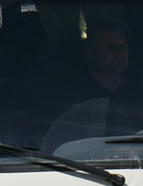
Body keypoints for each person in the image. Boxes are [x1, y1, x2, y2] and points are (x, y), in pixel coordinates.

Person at [42, 19, 134, 151]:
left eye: (122, 47)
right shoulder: (70, 98)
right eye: (111, 47)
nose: (119, 53)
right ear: (90, 52)